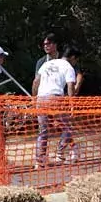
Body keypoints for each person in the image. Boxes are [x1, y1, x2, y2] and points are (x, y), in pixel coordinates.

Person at [32, 39, 77, 169]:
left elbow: (36, 82)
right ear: (72, 58)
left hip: (41, 99)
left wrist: (34, 100)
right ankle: (59, 153)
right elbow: (70, 86)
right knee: (68, 128)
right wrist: (71, 104)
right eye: (75, 60)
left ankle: (39, 162)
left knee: (43, 131)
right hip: (56, 98)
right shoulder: (69, 67)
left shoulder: (47, 64)